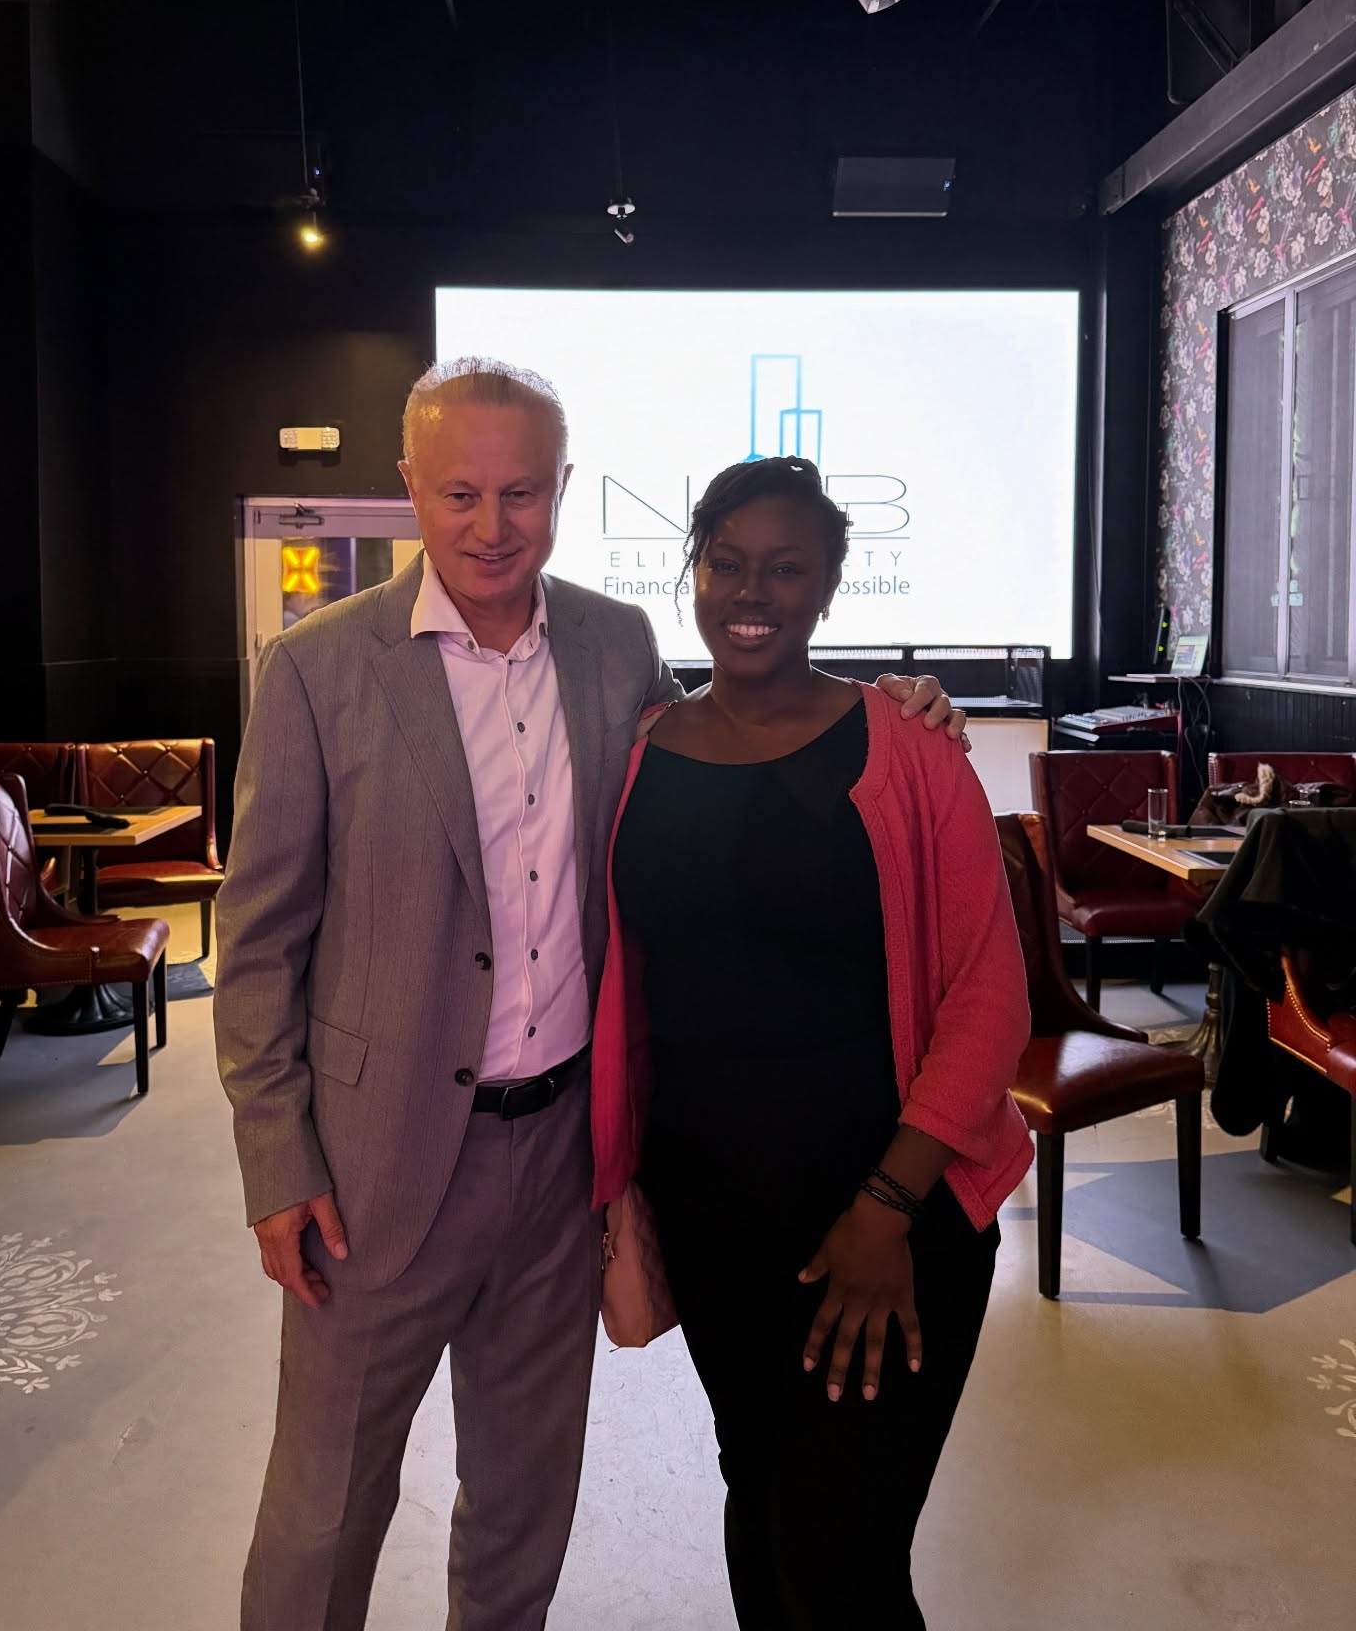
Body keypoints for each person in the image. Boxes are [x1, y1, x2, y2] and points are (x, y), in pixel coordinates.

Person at [214, 360, 966, 1631]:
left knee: (524, 1499)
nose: (490, 525)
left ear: (561, 488)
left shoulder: (616, 647)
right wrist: (277, 1160)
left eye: (520, 492)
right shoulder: (316, 669)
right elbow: (256, 941)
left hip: (564, 1162)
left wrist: (896, 701)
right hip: (371, 1166)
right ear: (409, 487)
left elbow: (729, 745)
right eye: (459, 493)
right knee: (324, 1508)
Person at [592, 455, 1033, 1631]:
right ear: (692, 572)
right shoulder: (638, 751)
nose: (753, 592)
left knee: (841, 1565)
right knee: (761, 1504)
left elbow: (992, 998)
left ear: (832, 587)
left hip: (895, 1217)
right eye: (727, 563)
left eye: (786, 569)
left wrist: (885, 1211)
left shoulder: (910, 749)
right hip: (711, 1215)